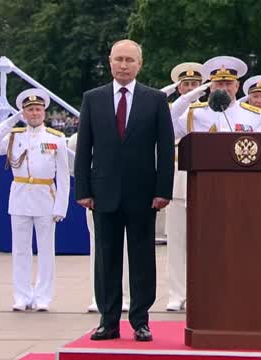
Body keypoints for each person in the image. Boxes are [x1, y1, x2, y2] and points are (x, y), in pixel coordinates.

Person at [74, 39, 174, 342]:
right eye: (118, 59)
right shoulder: (93, 98)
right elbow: (84, 147)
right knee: (106, 259)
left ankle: (141, 320)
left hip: (143, 194)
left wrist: (163, 190)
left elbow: (166, 149)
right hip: (103, 193)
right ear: (110, 62)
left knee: (142, 258)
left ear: (139, 64)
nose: (124, 65)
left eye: (130, 60)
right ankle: (108, 320)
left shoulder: (154, 99)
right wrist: (83, 189)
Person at [0, 89, 69, 312]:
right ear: (24, 112)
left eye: (38, 109)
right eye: (30, 110)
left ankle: (43, 297)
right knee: (20, 250)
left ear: (44, 112)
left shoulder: (55, 138)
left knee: (45, 250)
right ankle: (21, 295)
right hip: (20, 196)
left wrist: (61, 206)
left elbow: (63, 176)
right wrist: (11, 121)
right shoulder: (14, 136)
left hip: (44, 197)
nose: (34, 113)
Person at [67, 133, 131, 313]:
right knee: (99, 249)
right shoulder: (78, 138)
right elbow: (76, 168)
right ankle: (99, 296)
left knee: (127, 247)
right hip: (99, 197)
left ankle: (126, 296)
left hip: (129, 193)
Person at [162, 62, 204, 312]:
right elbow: (165, 120)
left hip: (203, 181)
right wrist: (183, 97)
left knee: (205, 242)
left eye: (195, 85)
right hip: (178, 182)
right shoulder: (174, 111)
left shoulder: (211, 110)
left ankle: (201, 290)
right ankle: (177, 293)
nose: (190, 89)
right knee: (176, 241)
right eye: (186, 85)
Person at [170, 56, 261, 137]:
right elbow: (171, 130)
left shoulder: (254, 114)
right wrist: (184, 100)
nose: (224, 89)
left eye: (228, 84)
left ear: (237, 86)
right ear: (211, 87)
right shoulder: (195, 113)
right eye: (219, 84)